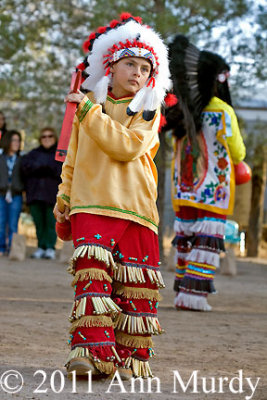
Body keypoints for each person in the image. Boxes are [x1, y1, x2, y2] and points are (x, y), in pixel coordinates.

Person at [53, 12, 171, 379]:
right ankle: (89, 355)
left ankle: (125, 358)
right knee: (93, 282)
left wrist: (89, 112)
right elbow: (72, 158)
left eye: (144, 67)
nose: (137, 73)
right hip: (91, 202)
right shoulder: (90, 107)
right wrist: (64, 199)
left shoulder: (148, 109)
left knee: (134, 286)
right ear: (110, 66)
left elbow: (127, 147)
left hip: (136, 208)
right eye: (129, 64)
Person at [163, 35, 246, 311]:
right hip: (213, 189)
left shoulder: (179, 112)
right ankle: (195, 296)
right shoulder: (223, 112)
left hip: (184, 188)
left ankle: (182, 293)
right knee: (206, 242)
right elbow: (238, 152)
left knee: (186, 239)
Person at [21, 127, 62, 259]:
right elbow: (25, 169)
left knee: (51, 223)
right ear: (40, 139)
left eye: (50, 136)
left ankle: (50, 247)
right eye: (44, 136)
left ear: (54, 138)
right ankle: (40, 247)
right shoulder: (33, 154)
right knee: (38, 223)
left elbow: (61, 171)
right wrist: (45, 169)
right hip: (35, 194)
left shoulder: (60, 154)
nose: (47, 139)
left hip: (52, 195)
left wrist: (39, 169)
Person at [0, 130, 24, 255]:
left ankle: (12, 248)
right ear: (8, 141)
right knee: (1, 221)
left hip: (16, 195)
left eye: (18, 140)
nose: (16, 143)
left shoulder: (22, 158)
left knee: (13, 223)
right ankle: (1, 247)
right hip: (1, 194)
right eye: (14, 140)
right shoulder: (1, 157)